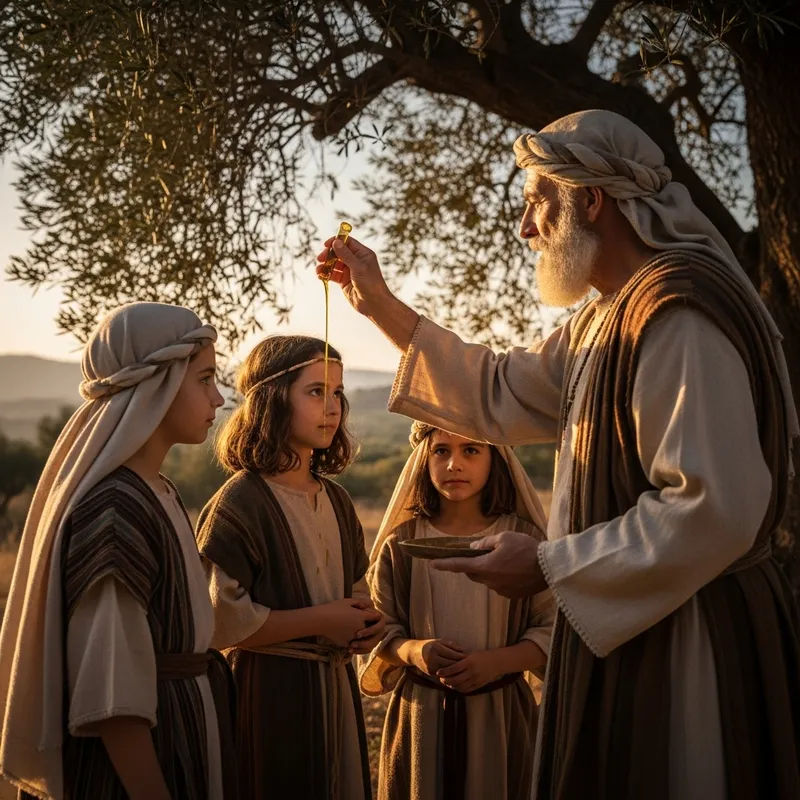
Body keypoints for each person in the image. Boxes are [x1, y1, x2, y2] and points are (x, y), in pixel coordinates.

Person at [317, 109, 800, 799]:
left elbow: (713, 508)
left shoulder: (678, 312)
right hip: (630, 625)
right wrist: (378, 303)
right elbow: (494, 389)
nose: (524, 229)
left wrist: (548, 564)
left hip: (689, 640)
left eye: (536, 204)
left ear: (591, 199)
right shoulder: (607, 317)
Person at [0, 302, 236, 800]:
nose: (219, 397)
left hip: (180, 733)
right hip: (135, 770)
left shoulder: (156, 490)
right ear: (159, 383)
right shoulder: (115, 511)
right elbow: (114, 702)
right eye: (204, 379)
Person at [196, 335, 383, 800]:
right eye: (316, 391)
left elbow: (355, 591)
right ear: (271, 400)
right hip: (270, 698)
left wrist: (365, 623)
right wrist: (324, 620)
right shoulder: (239, 503)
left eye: (337, 393)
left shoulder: (336, 499)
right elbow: (223, 623)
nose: (333, 406)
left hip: (335, 690)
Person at [361, 421, 552, 800]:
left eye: (470, 450)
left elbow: (551, 629)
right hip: (423, 714)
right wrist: (415, 651)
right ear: (423, 458)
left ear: (496, 459)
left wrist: (496, 662)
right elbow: (380, 628)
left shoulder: (524, 543)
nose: (453, 464)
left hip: (500, 717)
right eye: (441, 450)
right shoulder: (402, 543)